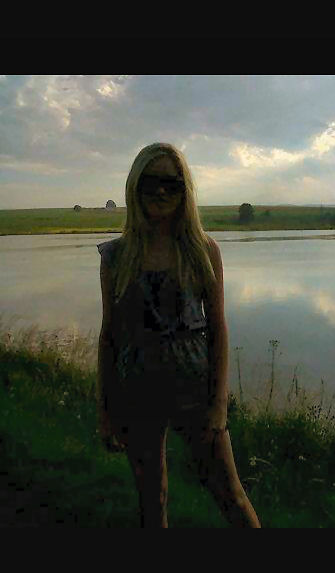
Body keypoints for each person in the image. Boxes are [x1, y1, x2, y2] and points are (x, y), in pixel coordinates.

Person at [96, 142, 261, 528]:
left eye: (171, 184)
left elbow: (218, 328)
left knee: (230, 494)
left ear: (185, 191)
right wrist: (105, 410)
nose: (160, 191)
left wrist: (219, 404)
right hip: (137, 388)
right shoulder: (116, 257)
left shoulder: (203, 250)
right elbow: (109, 335)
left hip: (194, 387)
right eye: (150, 182)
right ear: (134, 186)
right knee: (152, 499)